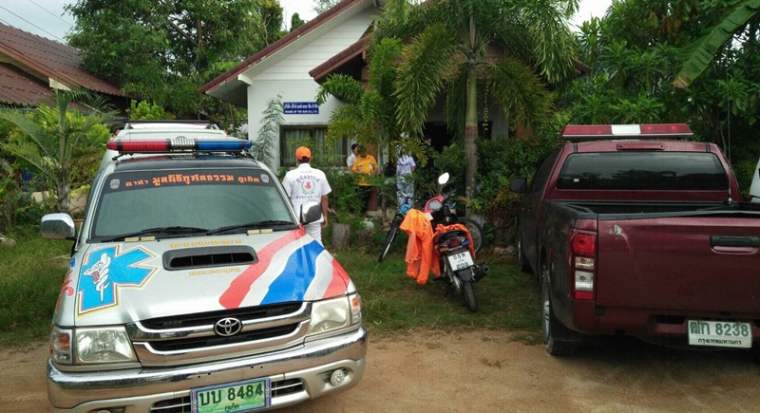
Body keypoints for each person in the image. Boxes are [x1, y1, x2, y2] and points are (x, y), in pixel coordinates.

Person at [282, 146, 332, 245]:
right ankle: (319, 260)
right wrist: (325, 216)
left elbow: (284, 197)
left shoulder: (290, 175)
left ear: (296, 159)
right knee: (317, 244)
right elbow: (324, 197)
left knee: (296, 244)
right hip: (315, 216)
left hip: (296, 217)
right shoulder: (320, 174)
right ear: (310, 158)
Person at [351, 144, 379, 212]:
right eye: (361, 153)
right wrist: (360, 173)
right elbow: (354, 170)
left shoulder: (371, 158)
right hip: (360, 183)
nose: (362, 154)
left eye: (363, 152)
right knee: (360, 198)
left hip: (369, 182)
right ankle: (359, 213)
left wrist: (373, 173)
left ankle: (363, 213)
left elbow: (376, 168)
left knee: (366, 199)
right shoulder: (358, 159)